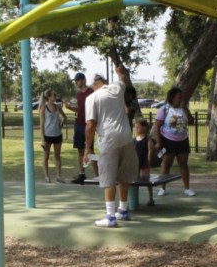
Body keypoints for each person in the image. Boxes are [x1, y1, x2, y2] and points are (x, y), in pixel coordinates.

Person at [84, 67, 139, 227]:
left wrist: (88, 147)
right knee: (123, 176)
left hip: (108, 140)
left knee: (108, 178)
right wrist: (119, 69)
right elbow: (123, 77)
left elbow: (90, 124)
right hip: (126, 137)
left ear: (93, 84)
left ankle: (110, 216)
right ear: (104, 81)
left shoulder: (92, 98)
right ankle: (123, 210)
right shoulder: (117, 88)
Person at [152, 87, 195, 197]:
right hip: (168, 140)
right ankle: (162, 188)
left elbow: (191, 122)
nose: (181, 99)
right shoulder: (164, 109)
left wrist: (185, 108)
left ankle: (187, 188)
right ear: (172, 98)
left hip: (182, 141)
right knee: (166, 165)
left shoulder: (184, 109)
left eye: (182, 97)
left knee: (183, 164)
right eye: (179, 97)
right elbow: (157, 126)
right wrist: (158, 141)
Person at [65, 72, 97, 183]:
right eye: (75, 81)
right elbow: (79, 109)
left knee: (90, 150)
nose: (76, 82)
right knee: (80, 150)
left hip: (88, 125)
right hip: (78, 124)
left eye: (78, 80)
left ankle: (97, 176)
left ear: (83, 80)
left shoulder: (91, 92)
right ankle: (82, 174)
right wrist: (69, 107)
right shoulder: (78, 95)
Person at [39, 89, 67, 183]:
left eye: (55, 95)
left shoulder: (58, 106)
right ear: (49, 97)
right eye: (54, 95)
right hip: (47, 135)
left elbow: (64, 116)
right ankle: (47, 177)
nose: (55, 97)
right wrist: (42, 138)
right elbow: (42, 124)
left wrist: (61, 125)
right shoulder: (43, 108)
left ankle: (59, 176)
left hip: (57, 134)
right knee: (46, 156)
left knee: (57, 155)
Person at [134, 118, 155, 206]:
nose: (136, 129)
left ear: (144, 128)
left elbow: (150, 151)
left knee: (146, 180)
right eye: (135, 127)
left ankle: (151, 198)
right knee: (135, 180)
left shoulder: (147, 139)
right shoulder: (134, 139)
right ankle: (135, 198)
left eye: (138, 127)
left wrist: (148, 161)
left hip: (144, 161)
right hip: (136, 162)